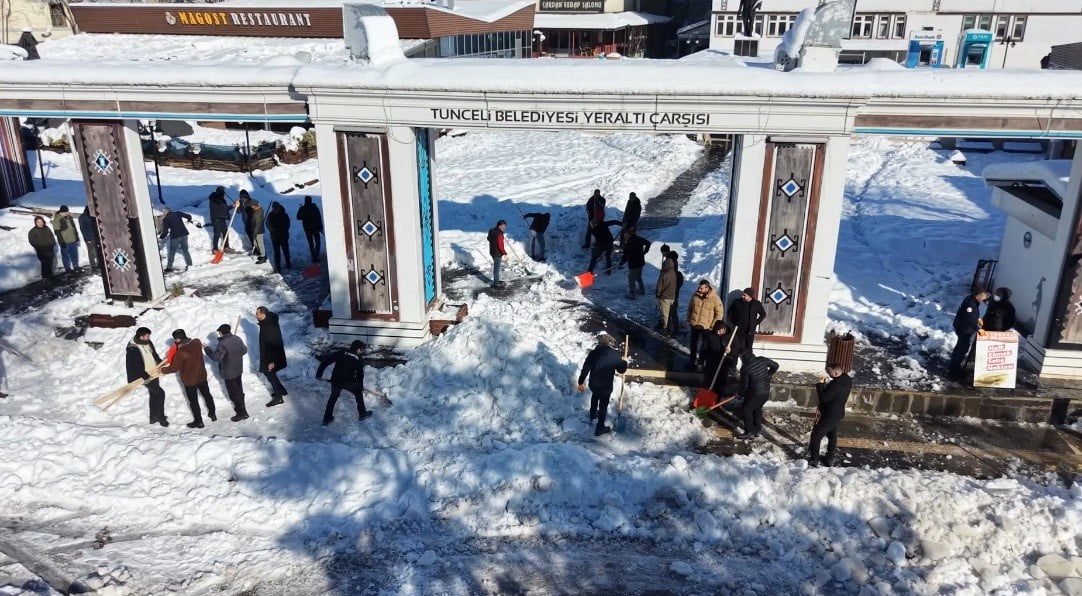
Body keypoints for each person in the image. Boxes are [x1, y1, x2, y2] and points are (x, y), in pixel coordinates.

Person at [160, 329, 216, 429]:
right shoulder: (197, 342)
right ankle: (213, 414)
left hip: (190, 380)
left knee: (193, 401)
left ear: (177, 339)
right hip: (201, 376)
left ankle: (199, 421)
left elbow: (174, 368)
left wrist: (162, 370)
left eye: (175, 340)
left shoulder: (181, 352)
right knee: (207, 394)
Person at [576, 333, 628, 437]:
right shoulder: (616, 354)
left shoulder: (593, 353)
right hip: (606, 385)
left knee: (595, 395)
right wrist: (624, 363)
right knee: (603, 405)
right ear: (610, 343)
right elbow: (621, 370)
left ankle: (592, 414)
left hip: (593, 383)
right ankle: (600, 428)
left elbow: (585, 369)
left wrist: (580, 382)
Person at [316, 340, 372, 426]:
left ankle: (327, 418)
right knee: (358, 393)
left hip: (336, 380)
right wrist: (360, 386)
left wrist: (319, 374)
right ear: (358, 349)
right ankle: (362, 414)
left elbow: (326, 361)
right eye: (362, 349)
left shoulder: (341, 352)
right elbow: (360, 376)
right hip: (349, 382)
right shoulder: (359, 359)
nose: (362, 351)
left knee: (333, 397)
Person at [808, 363, 852, 467]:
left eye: (830, 372)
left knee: (816, 436)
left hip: (830, 415)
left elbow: (824, 397)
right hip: (838, 413)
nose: (828, 374)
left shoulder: (836, 385)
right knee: (832, 435)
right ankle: (829, 457)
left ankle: (814, 459)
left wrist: (820, 384)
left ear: (836, 373)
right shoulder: (847, 379)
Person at [204, 323, 249, 422]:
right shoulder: (237, 338)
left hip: (229, 373)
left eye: (219, 332)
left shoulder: (223, 343)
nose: (219, 334)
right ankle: (244, 411)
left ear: (221, 332)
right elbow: (244, 350)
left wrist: (206, 348)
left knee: (234, 394)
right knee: (239, 391)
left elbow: (216, 357)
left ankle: (241, 413)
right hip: (238, 369)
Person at [125, 327, 167, 427]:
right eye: (147, 336)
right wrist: (143, 374)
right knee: (160, 393)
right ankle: (161, 418)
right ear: (141, 336)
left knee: (154, 394)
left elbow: (153, 353)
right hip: (143, 375)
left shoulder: (147, 342)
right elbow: (134, 364)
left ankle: (153, 417)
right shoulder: (132, 347)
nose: (148, 338)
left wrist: (160, 362)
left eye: (149, 336)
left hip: (153, 372)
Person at [949, 286, 988, 380]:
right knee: (962, 349)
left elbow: (970, 316)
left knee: (959, 347)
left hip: (962, 327)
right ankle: (955, 370)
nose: (984, 298)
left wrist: (977, 318)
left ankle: (953, 366)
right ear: (978, 295)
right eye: (983, 296)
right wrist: (978, 329)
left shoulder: (971, 299)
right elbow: (969, 319)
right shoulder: (971, 304)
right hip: (964, 329)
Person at [738, 353, 778, 438]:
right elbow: (776, 365)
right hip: (765, 392)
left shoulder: (745, 369)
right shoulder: (762, 360)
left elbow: (744, 387)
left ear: (743, 359)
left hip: (756, 394)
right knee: (757, 408)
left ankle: (749, 432)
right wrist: (769, 374)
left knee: (746, 409)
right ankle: (757, 429)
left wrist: (740, 394)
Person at [686, 280, 725, 370]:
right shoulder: (695, 296)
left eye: (701, 288)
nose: (699, 289)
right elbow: (690, 307)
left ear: (707, 288)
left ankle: (701, 363)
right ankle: (692, 361)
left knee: (704, 346)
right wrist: (688, 318)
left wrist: (713, 325)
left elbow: (719, 314)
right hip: (694, 324)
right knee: (693, 344)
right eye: (699, 287)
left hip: (706, 327)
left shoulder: (715, 299)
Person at [256, 306, 288, 406]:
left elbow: (272, 344)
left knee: (269, 373)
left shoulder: (268, 325)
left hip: (271, 356)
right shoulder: (267, 321)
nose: (256, 315)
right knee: (270, 373)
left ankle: (278, 397)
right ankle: (281, 390)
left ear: (263, 314)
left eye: (257, 314)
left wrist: (272, 361)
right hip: (270, 354)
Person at [701, 320, 744, 394]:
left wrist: (730, 351)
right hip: (711, 362)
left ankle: (718, 396)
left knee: (721, 382)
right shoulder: (710, 335)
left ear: (724, 329)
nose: (718, 333)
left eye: (720, 331)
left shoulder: (731, 336)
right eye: (716, 330)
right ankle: (707, 396)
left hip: (724, 362)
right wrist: (701, 361)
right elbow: (704, 348)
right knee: (708, 381)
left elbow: (738, 349)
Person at [728, 287, 766, 364]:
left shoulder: (756, 304)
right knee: (736, 348)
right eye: (743, 294)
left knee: (748, 349)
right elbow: (730, 312)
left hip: (750, 331)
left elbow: (763, 314)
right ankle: (733, 367)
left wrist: (756, 322)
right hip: (738, 330)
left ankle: (749, 365)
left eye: (745, 295)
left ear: (750, 296)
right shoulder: (737, 302)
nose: (742, 296)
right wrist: (734, 322)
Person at [159, 207, 198, 273]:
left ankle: (169, 267)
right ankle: (190, 265)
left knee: (172, 252)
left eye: (163, 212)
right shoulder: (177, 213)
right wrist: (189, 219)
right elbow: (189, 216)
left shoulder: (165, 220)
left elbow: (165, 232)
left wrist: (161, 238)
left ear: (166, 212)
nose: (163, 214)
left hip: (175, 236)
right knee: (185, 250)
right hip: (184, 234)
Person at [620, 227, 651, 299]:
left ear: (628, 234)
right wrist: (644, 252)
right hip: (640, 263)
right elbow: (648, 243)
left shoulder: (628, 243)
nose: (624, 236)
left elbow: (625, 255)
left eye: (625, 235)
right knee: (639, 277)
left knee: (631, 279)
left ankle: (632, 294)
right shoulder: (638, 238)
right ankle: (642, 290)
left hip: (633, 264)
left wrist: (621, 262)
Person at [51, 205, 80, 273]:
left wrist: (77, 237)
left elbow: (74, 228)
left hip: (73, 239)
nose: (67, 213)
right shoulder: (57, 219)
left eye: (67, 211)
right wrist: (61, 241)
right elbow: (57, 232)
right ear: (61, 212)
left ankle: (75, 266)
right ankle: (67, 268)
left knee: (74, 254)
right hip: (65, 241)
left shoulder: (69, 217)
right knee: (65, 255)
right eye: (65, 212)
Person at [266, 201, 292, 273]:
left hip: (284, 236)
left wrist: (283, 230)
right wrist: (272, 230)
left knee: (286, 251)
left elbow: (288, 224)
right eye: (273, 207)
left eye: (276, 207)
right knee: (277, 253)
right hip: (275, 237)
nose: (275, 209)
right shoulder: (270, 215)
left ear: (279, 207)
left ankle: (288, 263)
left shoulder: (284, 214)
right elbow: (267, 223)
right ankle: (278, 267)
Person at [295, 196, 323, 260]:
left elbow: (298, 217)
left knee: (311, 243)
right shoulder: (314, 207)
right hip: (315, 228)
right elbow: (319, 218)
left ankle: (314, 256)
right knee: (317, 242)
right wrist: (320, 227)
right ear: (311, 200)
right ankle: (316, 255)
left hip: (307, 229)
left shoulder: (302, 208)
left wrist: (303, 213)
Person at [656, 256, 677, 334]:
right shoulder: (673, 273)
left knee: (665, 314)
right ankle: (665, 325)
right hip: (672, 297)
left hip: (664, 297)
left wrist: (658, 294)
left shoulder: (664, 274)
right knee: (668, 313)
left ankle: (665, 329)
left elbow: (659, 286)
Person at [666, 251, 685, 335]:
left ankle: (670, 329)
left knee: (670, 313)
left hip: (669, 296)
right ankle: (673, 328)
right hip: (674, 296)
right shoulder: (678, 274)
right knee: (672, 313)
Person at [208, 186, 232, 253]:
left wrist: (233, 205)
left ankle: (226, 246)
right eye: (222, 191)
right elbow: (222, 207)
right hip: (216, 218)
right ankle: (215, 248)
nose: (223, 193)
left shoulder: (222, 199)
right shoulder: (214, 198)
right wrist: (232, 206)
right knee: (217, 234)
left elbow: (225, 208)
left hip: (222, 218)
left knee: (225, 232)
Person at [78, 209, 101, 274]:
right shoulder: (82, 217)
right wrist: (87, 238)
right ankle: (93, 265)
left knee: (97, 251)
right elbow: (82, 228)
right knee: (91, 252)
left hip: (95, 237)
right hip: (89, 238)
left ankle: (99, 263)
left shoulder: (92, 215)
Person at [487, 220, 507, 286]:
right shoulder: (499, 234)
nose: (504, 228)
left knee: (496, 267)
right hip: (497, 253)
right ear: (499, 225)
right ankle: (496, 283)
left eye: (505, 226)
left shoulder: (491, 230)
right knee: (497, 268)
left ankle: (496, 280)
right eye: (503, 226)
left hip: (492, 251)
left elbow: (488, 238)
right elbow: (500, 245)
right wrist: (504, 253)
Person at [247, 199, 267, 264]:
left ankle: (263, 257)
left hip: (259, 231)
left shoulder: (258, 212)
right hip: (256, 230)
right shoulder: (256, 210)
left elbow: (258, 224)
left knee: (260, 244)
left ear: (254, 205)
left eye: (251, 205)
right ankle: (262, 254)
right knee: (255, 243)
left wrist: (255, 232)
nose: (250, 207)